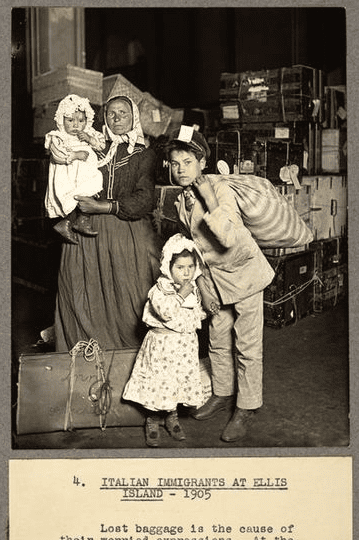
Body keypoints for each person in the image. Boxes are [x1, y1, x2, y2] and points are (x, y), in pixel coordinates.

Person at [166, 126, 275, 442]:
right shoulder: (182, 198)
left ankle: (247, 407)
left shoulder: (220, 189)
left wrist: (210, 196)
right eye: (175, 163)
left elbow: (226, 236)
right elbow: (193, 248)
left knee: (247, 344)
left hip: (244, 274)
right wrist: (201, 288)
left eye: (187, 161)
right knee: (216, 337)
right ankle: (223, 392)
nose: (180, 169)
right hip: (214, 279)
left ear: (201, 161)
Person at [54, 93, 161, 352]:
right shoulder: (92, 147)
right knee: (80, 290)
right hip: (87, 230)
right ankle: (86, 354)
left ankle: (131, 357)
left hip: (125, 229)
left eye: (123, 113)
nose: (116, 118)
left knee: (129, 297)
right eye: (111, 113)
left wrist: (102, 205)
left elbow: (144, 199)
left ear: (134, 117)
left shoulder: (144, 154)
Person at [123, 233, 207, 447]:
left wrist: (205, 312)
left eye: (190, 267)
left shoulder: (192, 289)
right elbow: (166, 312)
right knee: (160, 384)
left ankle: (172, 417)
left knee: (177, 382)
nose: (186, 273)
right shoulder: (159, 290)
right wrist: (180, 295)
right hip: (163, 347)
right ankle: (152, 420)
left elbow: (192, 315)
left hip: (184, 348)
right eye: (180, 268)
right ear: (168, 268)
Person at [44, 94, 106, 244]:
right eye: (70, 120)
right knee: (72, 196)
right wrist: (75, 155)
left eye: (81, 121)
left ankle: (82, 220)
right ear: (61, 120)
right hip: (67, 175)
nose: (76, 125)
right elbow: (57, 156)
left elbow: (102, 145)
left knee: (92, 189)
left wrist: (90, 139)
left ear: (87, 120)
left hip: (86, 173)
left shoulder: (89, 133)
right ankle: (65, 222)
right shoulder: (58, 137)